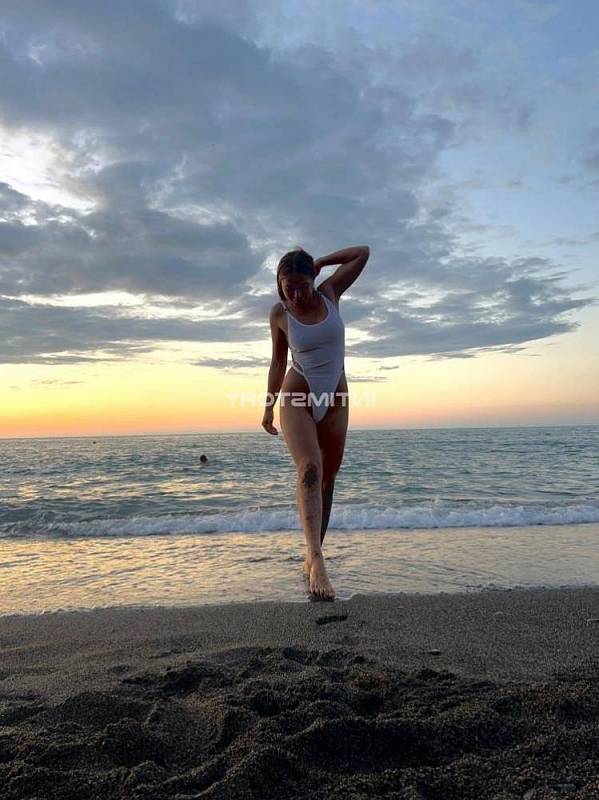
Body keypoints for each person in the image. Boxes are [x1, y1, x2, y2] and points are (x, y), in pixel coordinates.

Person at [261, 244, 370, 600]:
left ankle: (311, 554)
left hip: (336, 397)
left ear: (313, 279)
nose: (296, 294)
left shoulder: (330, 293)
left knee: (328, 477)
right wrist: (268, 406)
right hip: (299, 393)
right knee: (309, 467)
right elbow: (278, 363)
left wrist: (322, 262)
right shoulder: (280, 313)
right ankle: (319, 561)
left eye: (301, 285)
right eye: (287, 287)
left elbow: (362, 254)